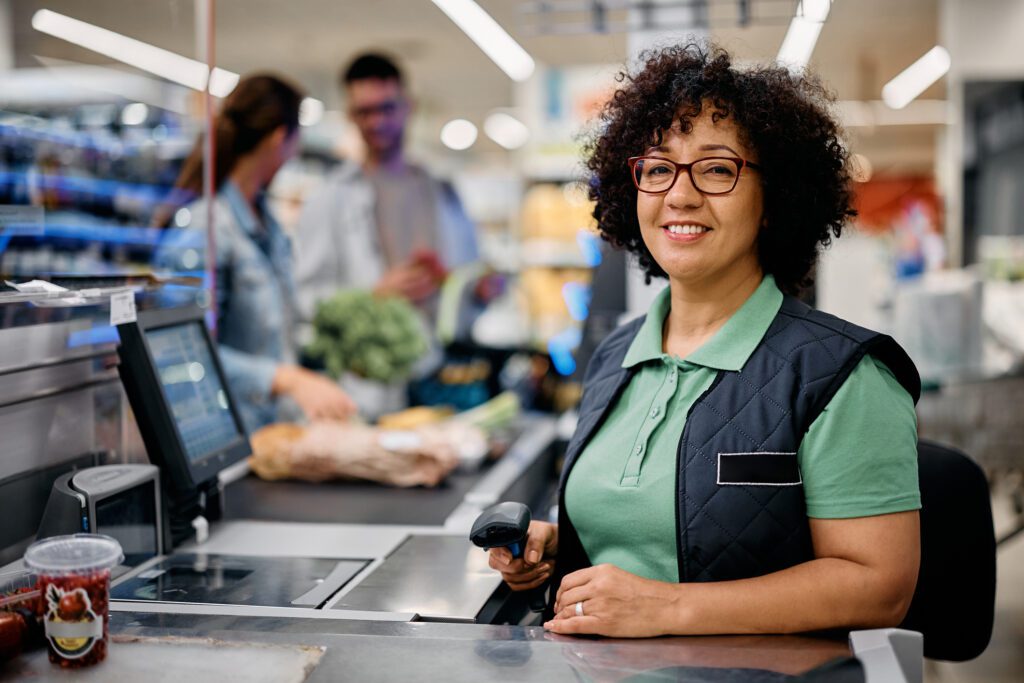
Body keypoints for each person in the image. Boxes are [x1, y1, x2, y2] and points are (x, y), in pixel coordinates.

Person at [488, 43, 922, 638]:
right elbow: (661, 532)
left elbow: (880, 586)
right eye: (659, 167)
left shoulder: (839, 374)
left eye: (718, 168)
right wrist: (559, 550)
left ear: (775, 200)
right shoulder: (617, 356)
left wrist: (668, 607)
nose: (680, 195)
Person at [157, 74, 356, 432]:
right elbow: (183, 349)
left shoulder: (268, 226)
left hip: (270, 436)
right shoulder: (207, 228)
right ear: (281, 138)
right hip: (226, 440)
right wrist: (285, 379)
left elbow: (279, 336)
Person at [292, 52, 478, 333]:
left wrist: (480, 290)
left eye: (387, 108)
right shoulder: (329, 199)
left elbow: (468, 270)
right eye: (364, 112)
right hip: (368, 366)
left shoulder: (441, 190)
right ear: (350, 115)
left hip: (443, 360)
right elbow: (306, 299)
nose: (377, 122)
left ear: (409, 107)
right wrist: (373, 296)